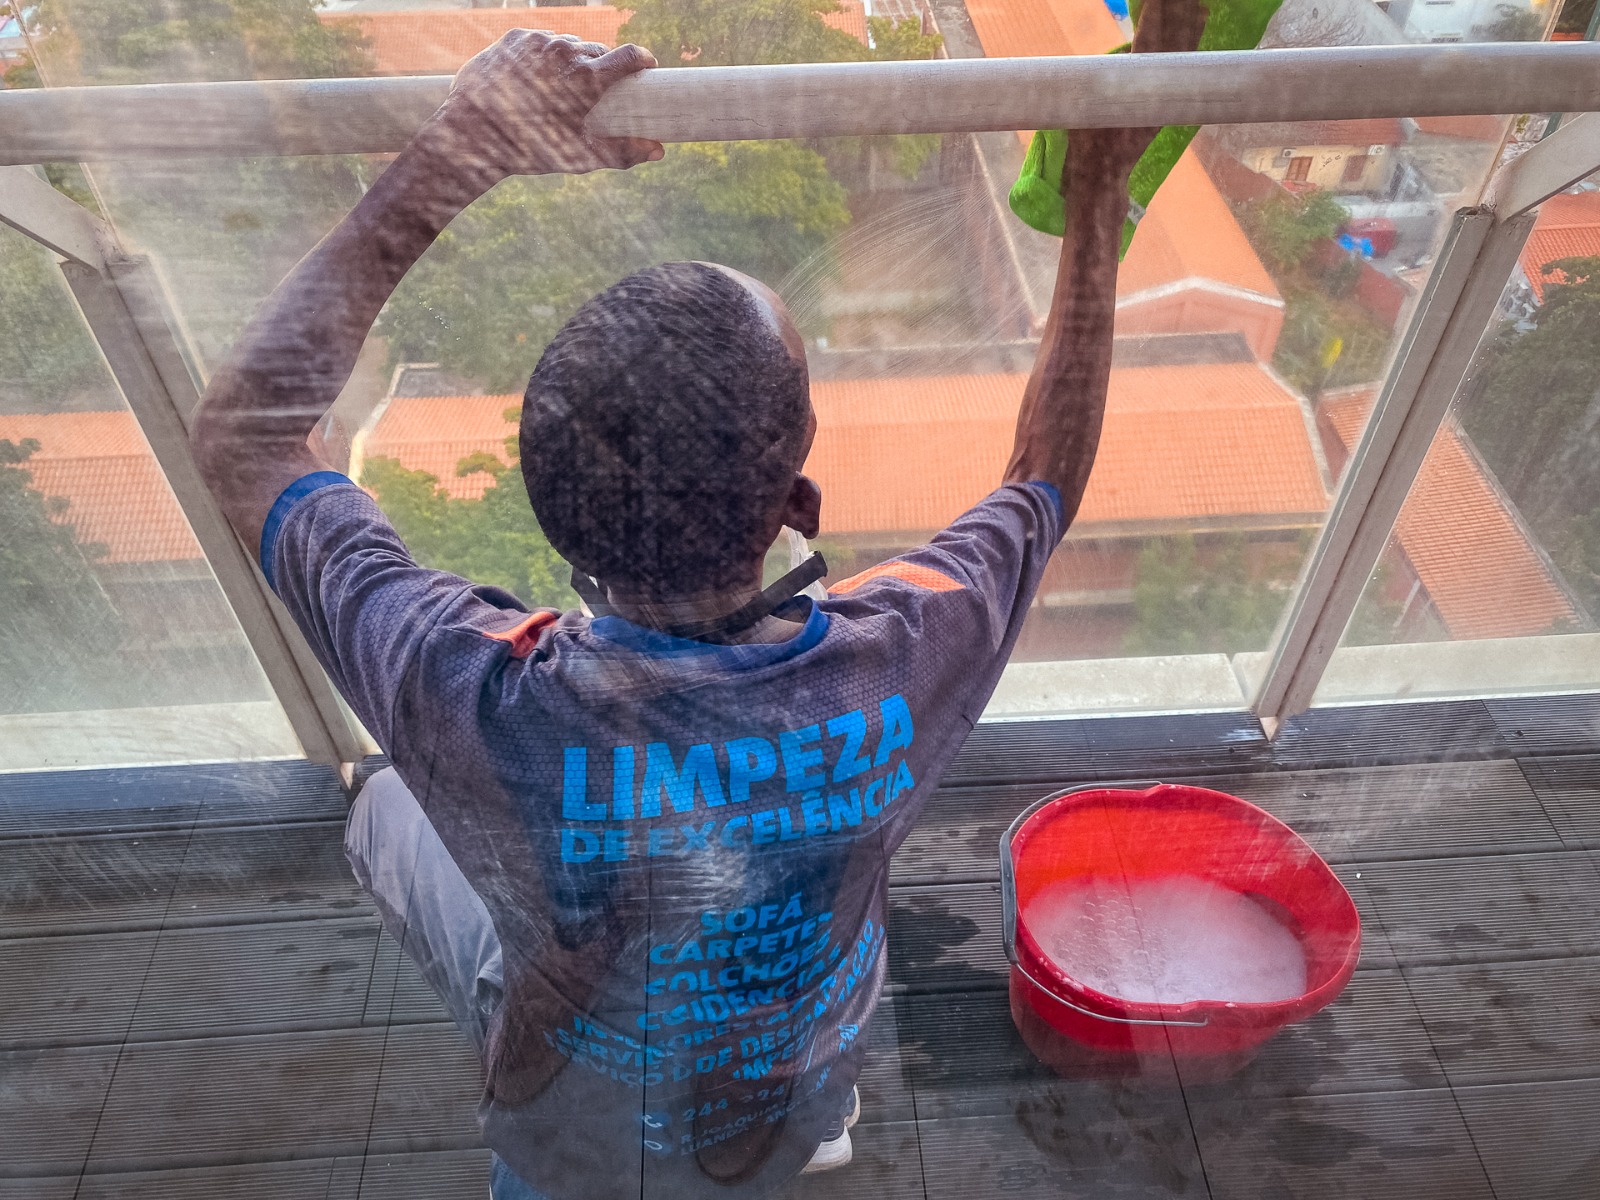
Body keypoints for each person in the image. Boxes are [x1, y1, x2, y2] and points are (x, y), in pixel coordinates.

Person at [190, 19, 1184, 1200]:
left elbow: (244, 433)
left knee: (391, 804)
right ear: (797, 502)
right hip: (791, 1084)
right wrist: (1095, 207)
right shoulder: (913, 651)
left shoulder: (463, 695)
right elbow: (1043, 479)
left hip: (568, 1148)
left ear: (555, 521)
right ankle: (796, 1132)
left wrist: (463, 149)